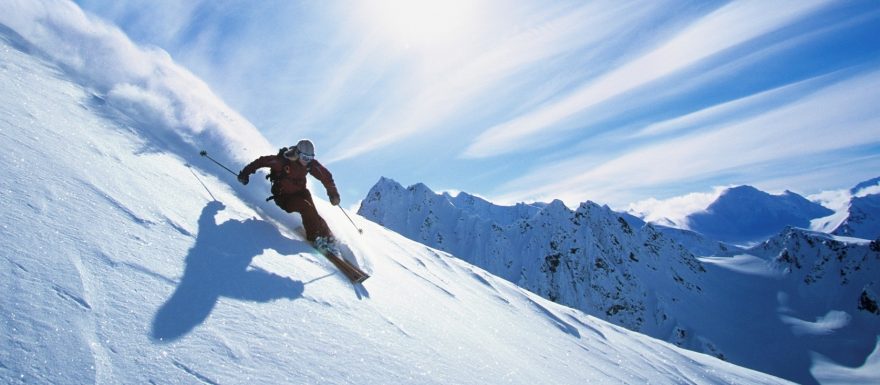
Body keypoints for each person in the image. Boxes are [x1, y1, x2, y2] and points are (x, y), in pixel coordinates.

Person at [237, 139, 341, 251]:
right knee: (306, 207)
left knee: (312, 212)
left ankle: (328, 238)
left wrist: (333, 194)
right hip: (284, 198)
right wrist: (245, 173)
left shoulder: (309, 164)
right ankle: (315, 238)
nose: (307, 161)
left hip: (300, 193)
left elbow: (326, 176)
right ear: (298, 153)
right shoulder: (281, 162)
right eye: (305, 158)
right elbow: (261, 161)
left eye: (310, 158)